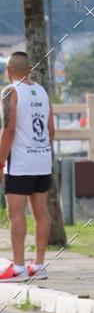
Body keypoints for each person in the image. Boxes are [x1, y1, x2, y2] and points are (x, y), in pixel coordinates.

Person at [0, 51, 54, 282]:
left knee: (15, 213)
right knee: (41, 212)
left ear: (8, 71)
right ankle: (38, 265)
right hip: (43, 160)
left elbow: (8, 130)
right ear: (29, 69)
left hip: (20, 164)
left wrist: (0, 160)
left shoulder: (9, 92)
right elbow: (51, 129)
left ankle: (19, 267)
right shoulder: (42, 91)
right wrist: (42, 151)